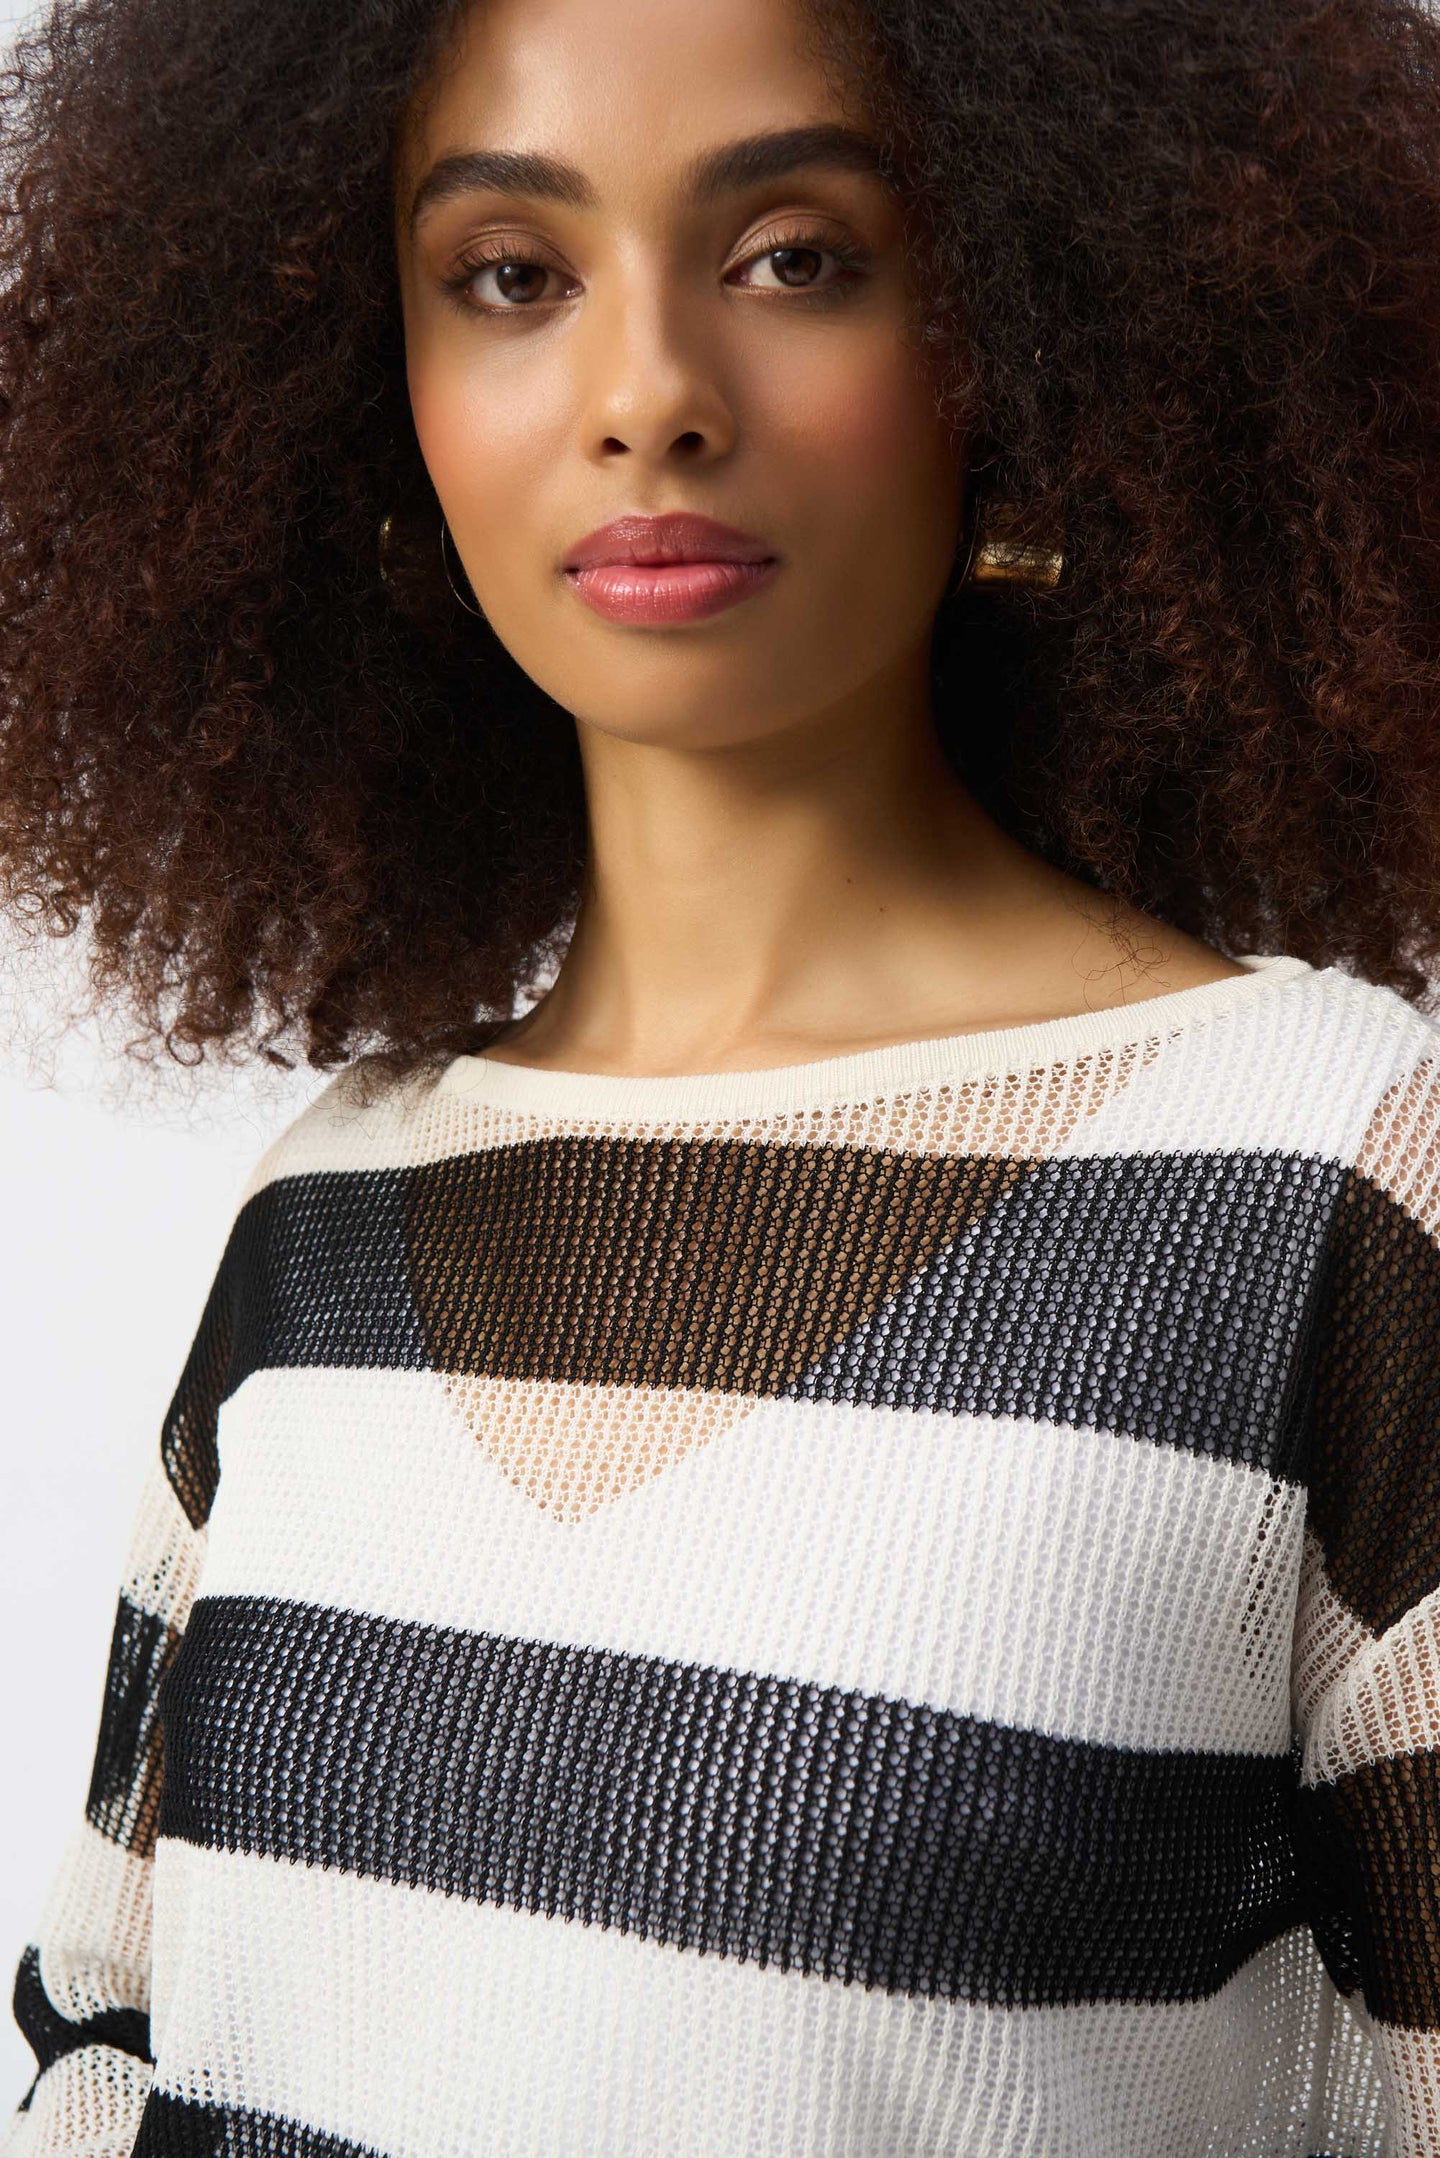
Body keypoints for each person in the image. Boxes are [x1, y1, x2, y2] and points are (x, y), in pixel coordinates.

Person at [1, 0, 1439, 2147]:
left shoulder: (1322, 1184)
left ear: (1019, 324)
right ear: (371, 389)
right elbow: (101, 2056)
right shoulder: (322, 1221)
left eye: (796, 257)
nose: (650, 391)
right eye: (513, 274)